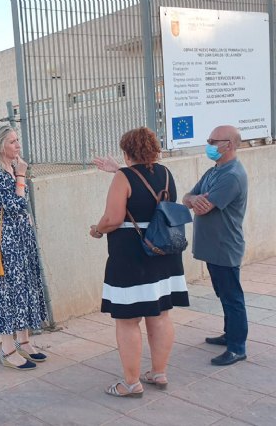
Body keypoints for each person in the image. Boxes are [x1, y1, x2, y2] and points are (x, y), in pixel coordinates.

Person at [91, 127, 189, 397]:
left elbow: (113, 218)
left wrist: (97, 230)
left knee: (128, 319)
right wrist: (119, 170)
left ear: (127, 153)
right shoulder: (165, 173)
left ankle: (131, 383)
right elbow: (146, 191)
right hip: (163, 252)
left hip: (132, 255)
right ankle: (158, 372)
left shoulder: (124, 177)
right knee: (160, 314)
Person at [183, 125, 248, 366]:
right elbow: (187, 198)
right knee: (224, 294)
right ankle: (229, 334)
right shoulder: (214, 171)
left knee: (232, 297)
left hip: (224, 247)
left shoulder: (232, 175)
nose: (209, 144)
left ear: (228, 145)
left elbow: (203, 208)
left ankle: (237, 347)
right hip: (213, 247)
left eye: (213, 141)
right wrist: (193, 198)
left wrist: (196, 201)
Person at [0, 124, 48, 370]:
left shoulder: (11, 169)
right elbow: (15, 205)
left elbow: (23, 205)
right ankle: (7, 349)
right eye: (12, 142)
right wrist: (21, 176)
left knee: (26, 287)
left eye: (17, 140)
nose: (18, 145)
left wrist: (18, 174)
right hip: (8, 242)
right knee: (9, 292)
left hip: (23, 238)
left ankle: (24, 341)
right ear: (0, 146)